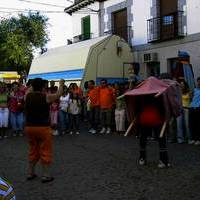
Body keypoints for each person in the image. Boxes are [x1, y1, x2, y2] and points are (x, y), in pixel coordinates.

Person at [24, 78, 64, 183]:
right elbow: (59, 93)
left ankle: (30, 173)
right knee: (45, 150)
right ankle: (46, 175)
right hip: (43, 127)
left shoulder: (27, 96)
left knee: (33, 149)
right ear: (43, 87)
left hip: (29, 127)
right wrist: (61, 83)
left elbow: (30, 89)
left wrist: (33, 84)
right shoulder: (46, 97)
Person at [136, 95, 171, 168]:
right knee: (143, 139)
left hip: (155, 119)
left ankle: (163, 160)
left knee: (160, 140)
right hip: (146, 118)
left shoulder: (158, 92)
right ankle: (143, 158)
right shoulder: (143, 93)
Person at [189, 77, 200, 145]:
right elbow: (192, 98)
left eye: (199, 81)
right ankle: (193, 138)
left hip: (198, 108)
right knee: (192, 124)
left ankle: (198, 139)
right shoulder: (194, 89)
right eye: (198, 81)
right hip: (192, 107)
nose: (199, 83)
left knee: (198, 124)